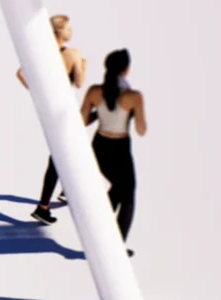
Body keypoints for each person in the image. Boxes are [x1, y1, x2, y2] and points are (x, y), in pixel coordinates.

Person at [17, 13, 87, 224]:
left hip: (50, 111)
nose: (71, 31)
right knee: (59, 157)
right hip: (66, 111)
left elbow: (20, 73)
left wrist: (38, 92)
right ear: (59, 32)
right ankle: (43, 206)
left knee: (66, 152)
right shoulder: (72, 54)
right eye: (68, 28)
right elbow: (79, 82)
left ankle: (65, 191)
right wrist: (83, 63)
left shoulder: (41, 53)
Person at [80, 48, 146, 253]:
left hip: (100, 146)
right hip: (120, 149)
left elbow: (82, 120)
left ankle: (102, 235)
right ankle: (115, 244)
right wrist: (134, 113)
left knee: (118, 190)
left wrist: (101, 115)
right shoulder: (133, 96)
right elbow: (141, 130)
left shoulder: (94, 91)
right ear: (126, 70)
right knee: (128, 195)